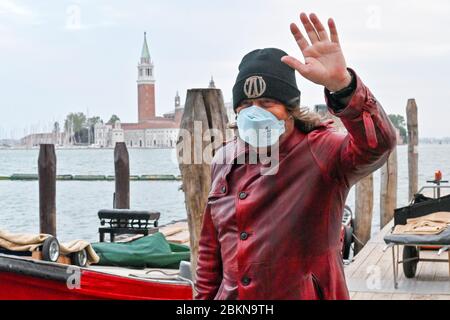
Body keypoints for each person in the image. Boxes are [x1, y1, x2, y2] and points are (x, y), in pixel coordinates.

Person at [194, 12, 397, 300]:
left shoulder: (322, 151)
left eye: (267, 103)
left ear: (290, 108)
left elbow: (378, 144)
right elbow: (209, 253)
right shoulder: (224, 159)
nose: (256, 112)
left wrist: (344, 87)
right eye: (247, 104)